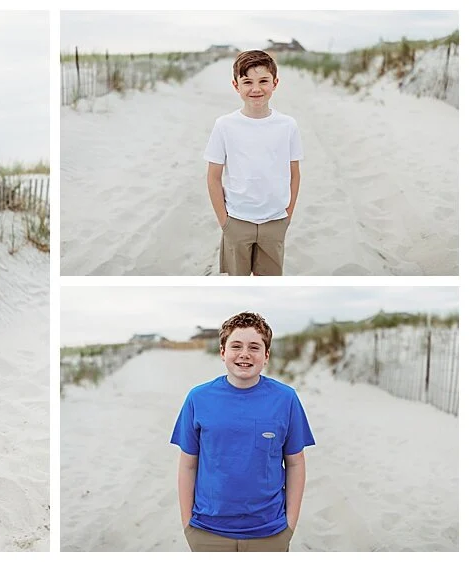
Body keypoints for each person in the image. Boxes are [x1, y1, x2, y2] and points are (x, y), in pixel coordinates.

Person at [171, 311, 316, 552]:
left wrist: (289, 527)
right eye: (236, 346)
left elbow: (295, 463)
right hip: (207, 530)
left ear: (266, 355)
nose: (245, 354)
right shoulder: (198, 398)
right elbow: (188, 464)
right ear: (222, 352)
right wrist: (188, 526)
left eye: (255, 347)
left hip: (269, 531)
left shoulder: (286, 399)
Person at [204, 50, 303, 276]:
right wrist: (225, 223)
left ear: (275, 83)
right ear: (236, 85)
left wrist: (287, 215)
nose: (256, 89)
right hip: (237, 220)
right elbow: (213, 176)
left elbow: (294, 173)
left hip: (275, 221)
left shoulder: (288, 125)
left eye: (263, 81)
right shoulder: (225, 125)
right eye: (247, 82)